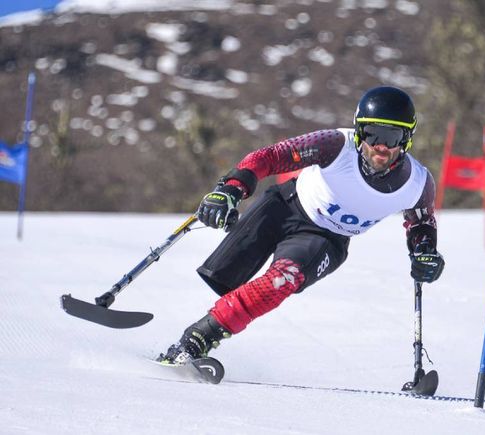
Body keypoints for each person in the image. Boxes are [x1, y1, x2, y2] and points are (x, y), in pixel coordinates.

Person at [158, 86, 445, 364]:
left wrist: (425, 252)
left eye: (393, 136)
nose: (381, 146)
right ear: (359, 132)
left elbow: (421, 224)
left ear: (407, 139)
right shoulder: (335, 145)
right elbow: (269, 157)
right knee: (221, 278)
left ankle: (197, 339)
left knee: (282, 281)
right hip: (283, 205)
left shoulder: (418, 184)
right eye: (373, 134)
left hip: (326, 239)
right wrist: (231, 188)